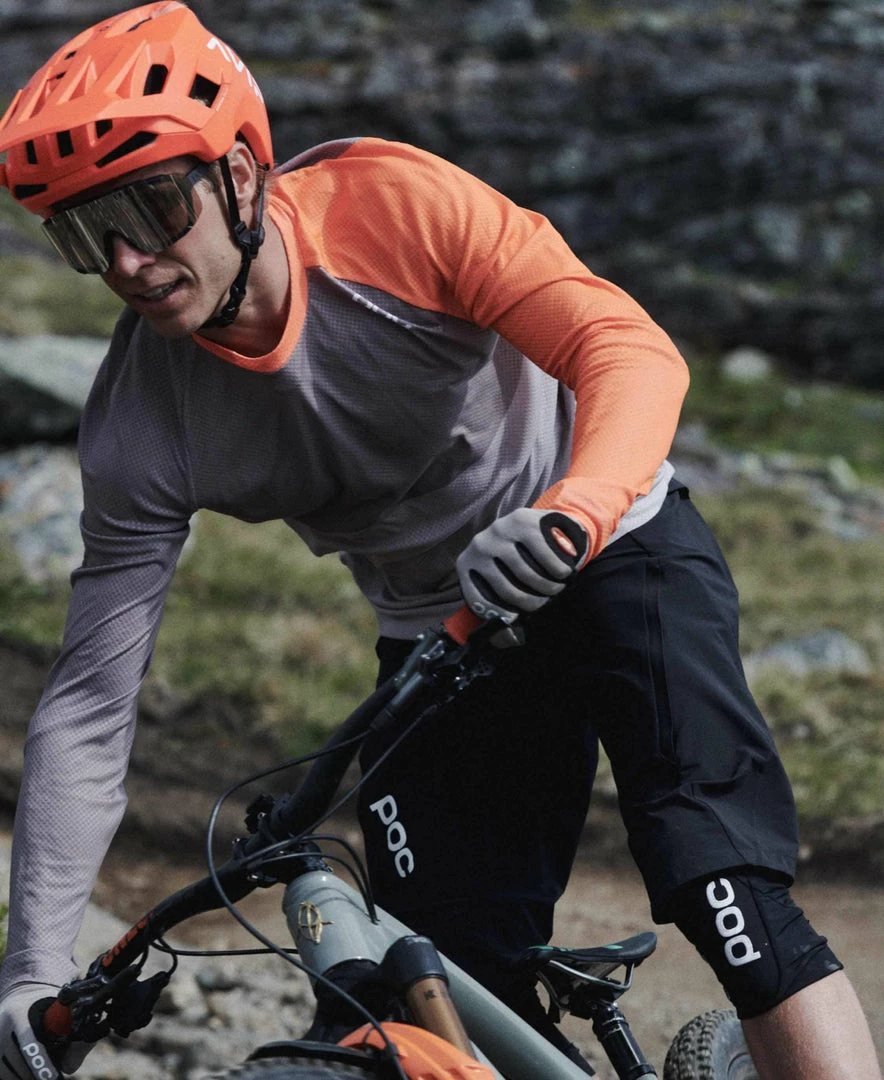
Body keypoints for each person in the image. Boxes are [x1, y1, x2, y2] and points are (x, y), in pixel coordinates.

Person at [0, 5, 879, 1079]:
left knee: (726, 892)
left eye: (149, 206)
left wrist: (568, 512)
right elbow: (90, 707)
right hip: (443, 632)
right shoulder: (143, 423)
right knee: (428, 986)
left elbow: (626, 347)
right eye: (86, 235)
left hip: (614, 545)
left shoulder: (391, 208)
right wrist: (33, 972)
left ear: (238, 174)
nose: (130, 261)